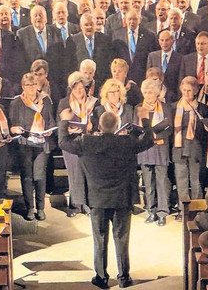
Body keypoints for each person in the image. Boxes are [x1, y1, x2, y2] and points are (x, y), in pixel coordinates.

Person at [58, 107, 154, 289]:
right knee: (122, 238)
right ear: (117, 125)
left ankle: (101, 277)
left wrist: (64, 121)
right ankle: (124, 277)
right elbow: (149, 140)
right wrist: (145, 119)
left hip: (97, 199)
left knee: (100, 239)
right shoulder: (126, 142)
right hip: (121, 198)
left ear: (99, 126)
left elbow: (63, 142)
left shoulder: (86, 142)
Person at [9, 73, 56, 221]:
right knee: (28, 177)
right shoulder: (17, 102)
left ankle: (40, 208)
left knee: (40, 176)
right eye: (28, 85)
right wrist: (15, 129)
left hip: (42, 143)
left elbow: (51, 121)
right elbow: (12, 125)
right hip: (25, 144)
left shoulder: (46, 101)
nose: (31, 88)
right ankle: (30, 208)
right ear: (23, 87)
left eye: (34, 84)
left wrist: (49, 130)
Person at [57, 72, 98, 217]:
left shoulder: (92, 102)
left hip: (87, 142)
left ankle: (86, 205)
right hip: (70, 142)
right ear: (71, 89)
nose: (79, 92)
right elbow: (60, 122)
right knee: (74, 173)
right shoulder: (64, 102)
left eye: (82, 88)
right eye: (76, 89)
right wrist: (68, 128)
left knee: (86, 172)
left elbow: (97, 121)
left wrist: (92, 125)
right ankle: (74, 205)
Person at [172, 76, 208, 220]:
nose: (186, 93)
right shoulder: (174, 106)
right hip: (179, 147)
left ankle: (197, 210)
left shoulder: (202, 108)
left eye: (190, 90)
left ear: (196, 91)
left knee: (196, 181)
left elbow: (206, 130)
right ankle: (182, 211)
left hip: (195, 148)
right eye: (184, 90)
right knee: (181, 180)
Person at [136, 79, 173, 226]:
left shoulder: (165, 107)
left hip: (160, 147)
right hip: (145, 149)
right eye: (145, 92)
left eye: (150, 92)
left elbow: (169, 128)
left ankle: (162, 212)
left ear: (157, 93)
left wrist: (158, 134)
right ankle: (151, 211)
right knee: (148, 183)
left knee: (161, 182)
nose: (147, 95)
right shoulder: (139, 107)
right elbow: (135, 127)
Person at [112, 8, 159, 85]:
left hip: (143, 78)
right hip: (123, 78)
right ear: (125, 20)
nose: (132, 22)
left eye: (135, 19)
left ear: (140, 20)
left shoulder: (150, 35)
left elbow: (152, 57)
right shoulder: (117, 35)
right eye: (129, 19)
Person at [146, 30, 183, 103]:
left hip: (172, 98)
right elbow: (148, 79)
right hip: (155, 97)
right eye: (162, 40)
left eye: (167, 40)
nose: (164, 43)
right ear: (159, 41)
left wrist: (178, 99)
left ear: (172, 41)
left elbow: (180, 79)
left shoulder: (180, 58)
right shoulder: (152, 56)